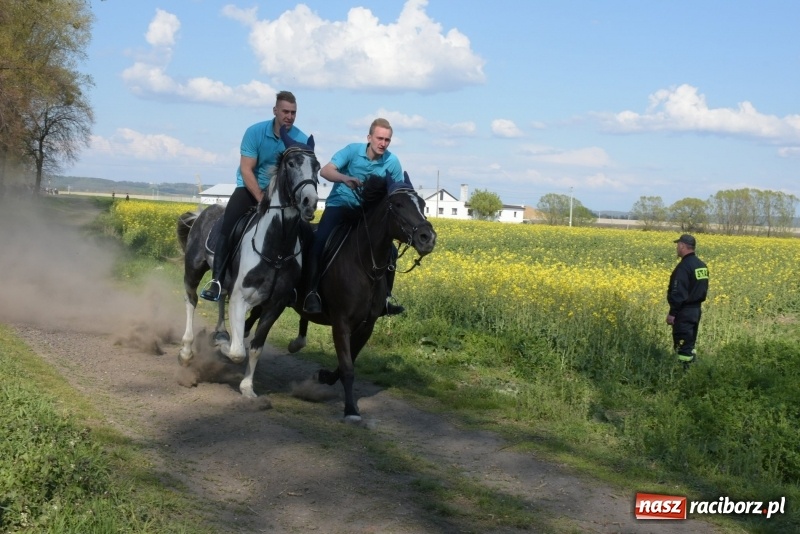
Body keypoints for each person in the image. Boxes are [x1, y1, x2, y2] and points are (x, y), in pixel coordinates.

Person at [200, 91, 309, 301]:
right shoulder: (255, 132)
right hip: (250, 190)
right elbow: (246, 169)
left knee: (304, 233)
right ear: (275, 110)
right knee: (229, 224)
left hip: (283, 197)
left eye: (293, 113)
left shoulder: (301, 139)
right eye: (285, 111)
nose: (289, 116)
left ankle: (294, 287)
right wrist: (261, 198)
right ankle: (217, 281)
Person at [301, 118, 405, 316]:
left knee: (390, 251)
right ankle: (311, 292)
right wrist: (345, 178)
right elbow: (325, 171)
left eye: (387, 140)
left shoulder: (392, 162)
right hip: (340, 205)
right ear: (369, 137)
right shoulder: (352, 151)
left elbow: (397, 191)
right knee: (319, 241)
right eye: (379, 138)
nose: (383, 143)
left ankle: (385, 298)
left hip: (366, 214)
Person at [666, 234, 709, 365]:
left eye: (678, 245)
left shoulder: (684, 267)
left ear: (682, 246)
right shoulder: (701, 265)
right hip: (696, 311)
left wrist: (672, 313)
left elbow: (678, 293)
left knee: (682, 346)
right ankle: (691, 369)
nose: (676, 248)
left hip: (684, 312)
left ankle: (682, 371)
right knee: (690, 343)